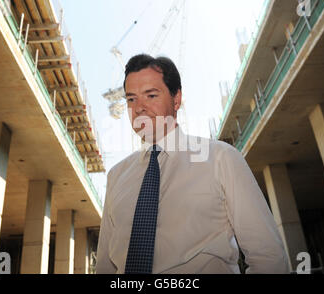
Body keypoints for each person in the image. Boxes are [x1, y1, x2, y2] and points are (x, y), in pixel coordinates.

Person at [96, 54, 289, 274]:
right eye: (131, 99)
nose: (139, 107)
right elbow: (105, 267)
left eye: (150, 95)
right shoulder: (115, 177)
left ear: (176, 99)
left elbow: (268, 257)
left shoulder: (221, 159)